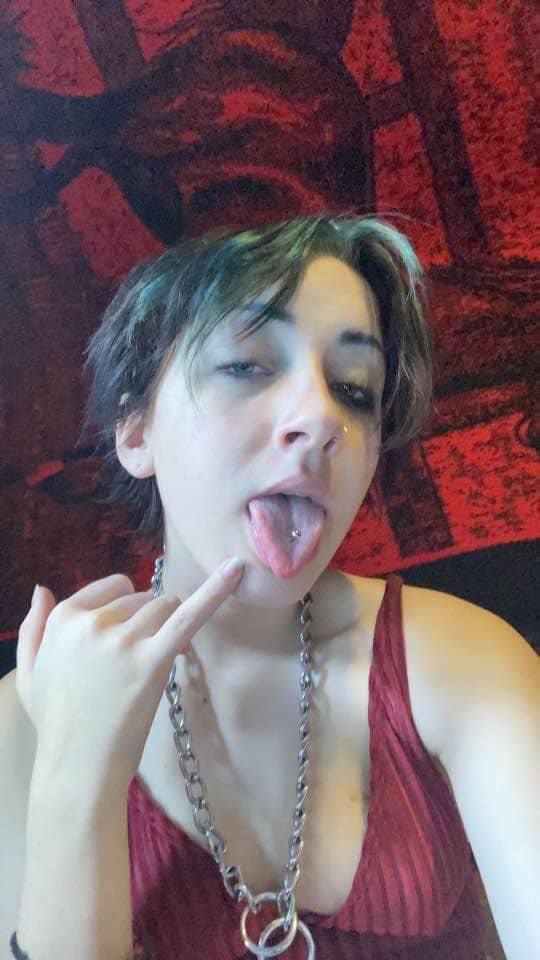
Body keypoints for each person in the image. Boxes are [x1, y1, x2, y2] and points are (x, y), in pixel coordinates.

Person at [10, 213, 537, 959]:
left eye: (354, 389)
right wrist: (75, 776)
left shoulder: (462, 662)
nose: (323, 417)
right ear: (136, 430)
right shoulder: (24, 718)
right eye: (248, 365)